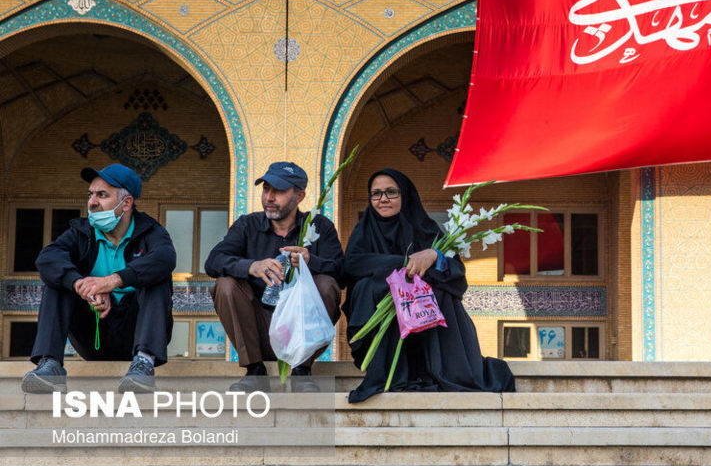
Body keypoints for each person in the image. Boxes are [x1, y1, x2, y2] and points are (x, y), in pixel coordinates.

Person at [344, 169, 515, 403]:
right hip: (382, 317)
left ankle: (439, 368)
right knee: (367, 286)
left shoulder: (426, 229)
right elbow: (352, 265)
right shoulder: (364, 231)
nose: (383, 199)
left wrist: (434, 255)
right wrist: (404, 264)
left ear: (406, 195)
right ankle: (391, 372)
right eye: (376, 194)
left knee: (441, 290)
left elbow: (456, 272)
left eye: (391, 192)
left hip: (425, 328)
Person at [22, 164, 176, 394]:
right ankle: (50, 364)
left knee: (157, 277)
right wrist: (81, 285)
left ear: (126, 203)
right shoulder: (80, 232)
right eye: (90, 194)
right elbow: (48, 258)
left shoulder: (151, 232)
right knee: (58, 279)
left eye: (102, 195)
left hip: (135, 333)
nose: (92, 202)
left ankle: (144, 362)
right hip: (94, 332)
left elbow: (165, 258)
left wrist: (112, 281)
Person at [205, 162, 343, 393]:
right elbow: (213, 262)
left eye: (278, 191)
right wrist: (251, 266)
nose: (269, 197)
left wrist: (312, 263)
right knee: (225, 284)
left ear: (299, 196)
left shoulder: (319, 226)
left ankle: (302, 371)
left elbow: (342, 272)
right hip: (257, 326)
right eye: (266, 189)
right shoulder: (247, 224)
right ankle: (254, 370)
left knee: (326, 284)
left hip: (299, 329)